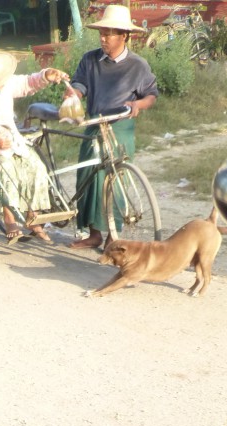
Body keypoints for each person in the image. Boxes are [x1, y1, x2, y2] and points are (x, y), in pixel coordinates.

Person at [61, 4, 158, 250]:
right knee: (89, 177)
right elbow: (80, 84)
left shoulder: (138, 65)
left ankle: (113, 237)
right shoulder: (90, 60)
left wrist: (139, 105)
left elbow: (151, 95)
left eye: (110, 33)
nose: (104, 38)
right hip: (94, 124)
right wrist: (74, 94)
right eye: (102, 33)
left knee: (115, 179)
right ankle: (93, 233)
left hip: (121, 128)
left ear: (124, 36)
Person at [0, 49, 68, 245]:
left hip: (13, 142)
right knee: (7, 171)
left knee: (37, 167)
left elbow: (27, 83)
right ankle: (10, 218)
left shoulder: (4, 85)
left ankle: (33, 214)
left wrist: (46, 75)